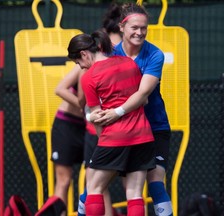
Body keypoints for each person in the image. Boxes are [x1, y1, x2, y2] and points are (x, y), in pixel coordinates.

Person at [90, 3, 173, 216]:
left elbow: (142, 95)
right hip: (124, 131)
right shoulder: (109, 55)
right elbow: (98, 89)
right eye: (134, 27)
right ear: (122, 27)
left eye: (144, 28)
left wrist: (115, 112)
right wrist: (95, 113)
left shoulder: (155, 55)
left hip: (153, 127)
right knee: (93, 186)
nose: (140, 32)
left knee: (155, 183)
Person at [68, 29, 155, 216]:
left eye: (79, 63)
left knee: (93, 188)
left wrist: (102, 142)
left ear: (84, 54)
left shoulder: (89, 77)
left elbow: (97, 117)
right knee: (134, 194)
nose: (81, 67)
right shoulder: (128, 63)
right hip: (143, 135)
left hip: (114, 138)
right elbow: (143, 99)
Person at [77, 3, 123, 216]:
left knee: (96, 185)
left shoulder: (123, 58)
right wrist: (87, 111)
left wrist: (118, 111)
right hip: (105, 131)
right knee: (98, 184)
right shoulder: (92, 62)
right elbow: (78, 95)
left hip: (117, 131)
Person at [35, 65, 86, 216]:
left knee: (94, 181)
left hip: (91, 127)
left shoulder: (117, 63)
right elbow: (60, 89)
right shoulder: (85, 64)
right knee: (64, 181)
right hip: (67, 125)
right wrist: (85, 107)